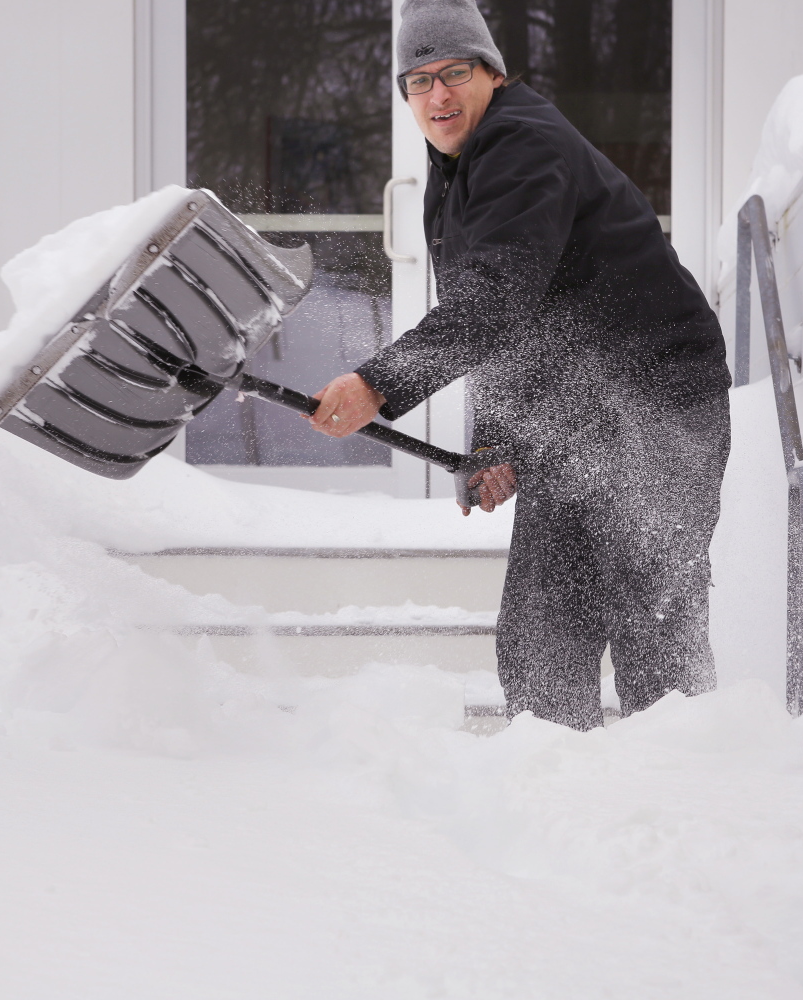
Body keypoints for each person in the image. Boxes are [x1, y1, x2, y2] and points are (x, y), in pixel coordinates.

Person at [306, 0, 732, 730]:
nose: (438, 96)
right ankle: (555, 798)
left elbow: (498, 300)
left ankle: (677, 803)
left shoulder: (521, 145)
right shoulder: (456, 169)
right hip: (578, 415)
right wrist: (498, 447)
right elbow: (509, 330)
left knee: (651, 627)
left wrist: (378, 382)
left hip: (659, 401)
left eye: (455, 73)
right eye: (419, 81)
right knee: (543, 632)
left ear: (492, 74)